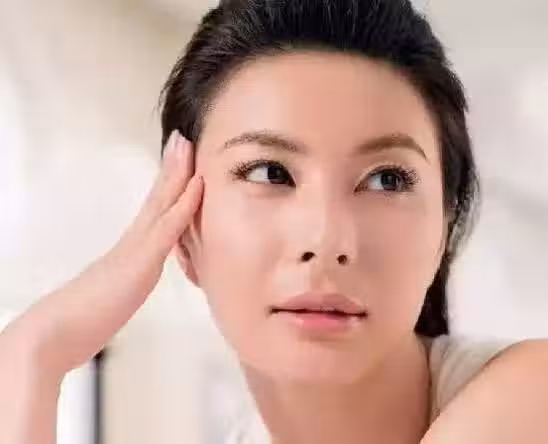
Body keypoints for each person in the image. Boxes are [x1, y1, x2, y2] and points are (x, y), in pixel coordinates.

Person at [1, 1, 547, 443]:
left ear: (446, 229)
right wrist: (33, 353)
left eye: (386, 179)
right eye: (270, 172)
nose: (326, 239)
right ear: (184, 228)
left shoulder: (530, 396)